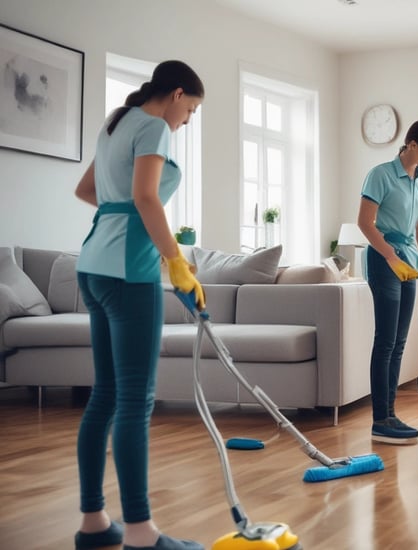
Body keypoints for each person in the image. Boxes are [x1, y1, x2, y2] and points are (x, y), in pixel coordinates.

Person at [73, 60, 206, 550]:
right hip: (131, 273)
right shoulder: (152, 126)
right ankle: (140, 533)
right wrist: (175, 261)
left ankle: (92, 525)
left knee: (104, 396)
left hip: (91, 265)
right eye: (190, 109)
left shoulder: (117, 121)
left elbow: (88, 190)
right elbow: (147, 198)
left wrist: (119, 214)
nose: (187, 120)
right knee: (134, 400)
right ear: (175, 95)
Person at [357, 119, 418, 445]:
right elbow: (365, 223)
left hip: (409, 266)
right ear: (412, 144)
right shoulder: (381, 175)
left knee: (399, 342)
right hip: (385, 262)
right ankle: (379, 419)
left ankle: (391, 415)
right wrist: (390, 256)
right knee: (385, 340)